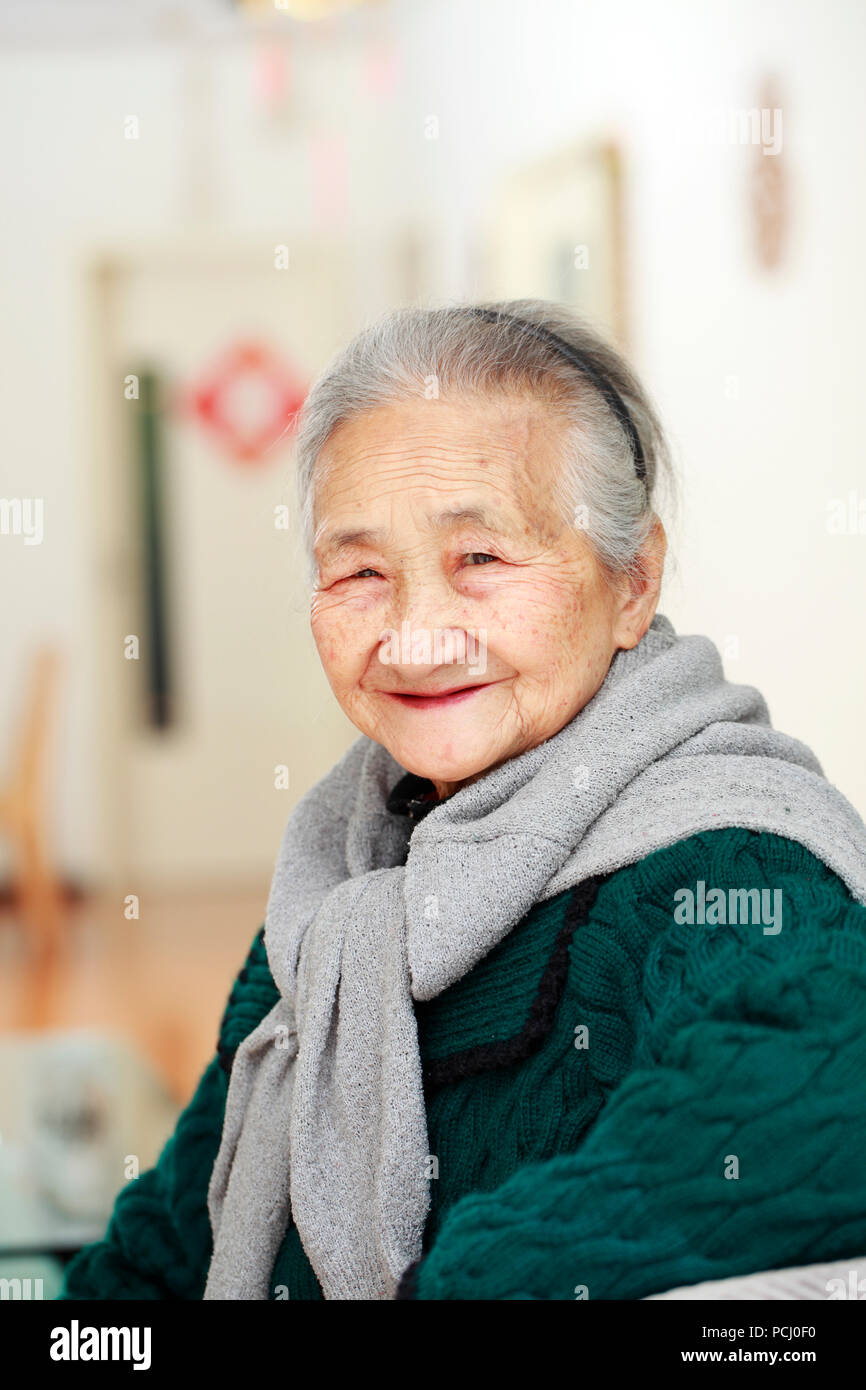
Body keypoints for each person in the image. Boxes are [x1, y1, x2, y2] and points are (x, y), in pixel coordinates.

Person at [60, 300, 866, 1301]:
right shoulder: (346, 880)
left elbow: (817, 1111)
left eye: (478, 559)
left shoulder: (728, 861)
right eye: (357, 571)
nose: (414, 632)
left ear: (631, 581)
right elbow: (173, 1238)